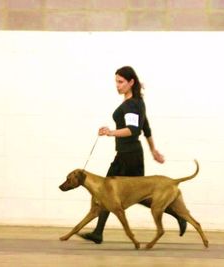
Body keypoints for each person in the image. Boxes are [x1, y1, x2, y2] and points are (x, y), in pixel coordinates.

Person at [79, 66, 187, 244]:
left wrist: (110, 132)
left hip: (128, 156)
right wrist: (153, 150)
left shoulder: (131, 104)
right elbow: (146, 127)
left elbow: (134, 129)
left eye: (121, 82)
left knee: (113, 193)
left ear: (131, 82)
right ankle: (98, 232)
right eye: (116, 81)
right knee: (131, 195)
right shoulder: (137, 102)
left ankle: (178, 215)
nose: (117, 85)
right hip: (128, 153)